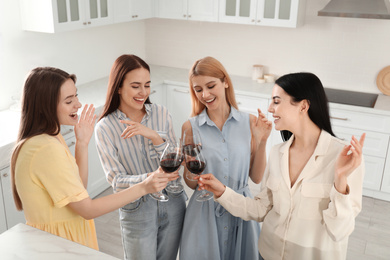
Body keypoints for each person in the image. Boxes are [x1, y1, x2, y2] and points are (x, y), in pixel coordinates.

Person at [198, 72, 366, 260]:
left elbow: (340, 231)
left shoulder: (344, 157)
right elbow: (261, 209)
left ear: (303, 106)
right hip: (268, 253)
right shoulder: (277, 153)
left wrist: (340, 181)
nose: (270, 108)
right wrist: (221, 191)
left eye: (276, 101)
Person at [10, 67, 172, 250]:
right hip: (58, 244)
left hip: (63, 239)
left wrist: (81, 144)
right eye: (69, 101)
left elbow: (79, 189)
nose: (78, 104)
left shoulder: (51, 137)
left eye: (76, 96)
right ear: (45, 106)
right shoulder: (44, 149)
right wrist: (144, 186)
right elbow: (88, 209)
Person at [179, 56, 272, 260]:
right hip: (204, 212)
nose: (205, 94)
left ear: (225, 82)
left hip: (241, 207)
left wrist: (262, 141)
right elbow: (191, 184)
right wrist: (190, 169)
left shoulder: (250, 122)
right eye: (198, 89)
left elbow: (256, 178)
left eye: (211, 86)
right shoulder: (190, 127)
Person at [95, 54, 186, 260]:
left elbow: (175, 162)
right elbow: (117, 182)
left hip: (173, 200)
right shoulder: (106, 128)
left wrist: (154, 136)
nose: (143, 92)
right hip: (136, 208)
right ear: (118, 87)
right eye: (136, 86)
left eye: (147, 85)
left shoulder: (161, 113)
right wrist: (149, 181)